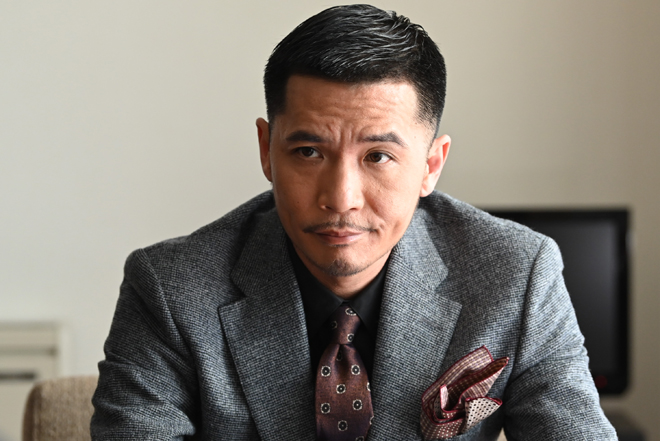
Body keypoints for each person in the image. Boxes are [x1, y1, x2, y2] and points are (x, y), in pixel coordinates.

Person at [91, 4, 617, 440]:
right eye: (308, 152)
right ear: (266, 150)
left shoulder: (517, 274)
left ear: (431, 166)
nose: (341, 198)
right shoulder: (170, 290)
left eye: (378, 157)